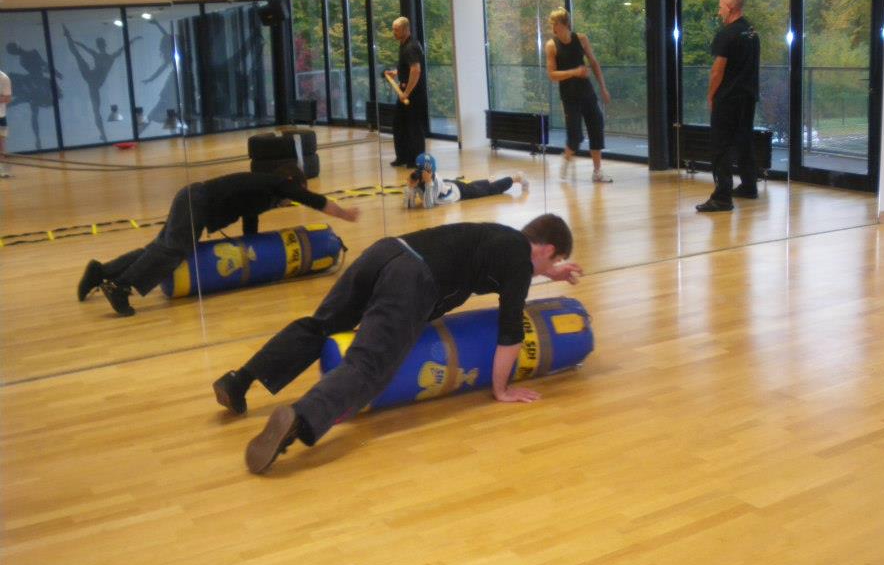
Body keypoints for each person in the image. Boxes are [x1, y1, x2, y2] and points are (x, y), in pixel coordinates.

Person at [212, 213, 583, 474]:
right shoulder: (519, 262)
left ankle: (239, 380)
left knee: (320, 325)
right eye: (556, 260)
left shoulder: (502, 237)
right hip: (412, 279)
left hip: (387, 251)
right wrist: (502, 390)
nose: (549, 268)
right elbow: (511, 330)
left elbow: (520, 268)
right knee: (369, 366)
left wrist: (551, 272)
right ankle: (299, 418)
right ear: (547, 249)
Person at [77, 166, 360, 317]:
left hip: (192, 199)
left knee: (159, 248)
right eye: (295, 191)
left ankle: (101, 272)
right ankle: (121, 287)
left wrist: (255, 249)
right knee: (174, 250)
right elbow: (312, 200)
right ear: (289, 180)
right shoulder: (275, 183)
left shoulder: (262, 192)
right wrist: (343, 214)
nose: (292, 198)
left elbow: (250, 219)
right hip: (196, 201)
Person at [696, 0, 761, 213]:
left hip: (729, 97)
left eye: (721, 6)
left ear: (730, 8)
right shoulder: (751, 32)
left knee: (721, 145)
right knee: (744, 140)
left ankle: (722, 197)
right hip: (748, 95)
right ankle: (749, 186)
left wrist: (711, 95)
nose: (719, 11)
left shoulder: (727, 34)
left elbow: (717, 70)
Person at [545, 7, 612, 184]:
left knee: (596, 128)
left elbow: (594, 64)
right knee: (575, 137)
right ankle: (566, 159)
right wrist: (574, 72)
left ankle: (597, 172)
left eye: (555, 24)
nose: (553, 28)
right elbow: (552, 75)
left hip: (587, 93)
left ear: (565, 24)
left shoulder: (581, 39)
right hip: (569, 96)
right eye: (552, 24)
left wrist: (603, 88)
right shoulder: (551, 45)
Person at [62, 26, 139, 143]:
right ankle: (103, 134)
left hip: (93, 80)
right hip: (93, 79)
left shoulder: (104, 56)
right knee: (96, 110)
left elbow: (122, 48)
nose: (100, 46)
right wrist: (133, 40)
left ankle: (103, 134)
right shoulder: (108, 57)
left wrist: (133, 40)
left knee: (96, 110)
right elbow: (122, 48)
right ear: (103, 45)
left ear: (100, 46)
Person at [404, 152, 529, 209]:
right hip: (449, 185)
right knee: (474, 186)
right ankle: (487, 181)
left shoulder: (434, 182)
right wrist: (410, 187)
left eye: (424, 170)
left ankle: (516, 178)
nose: (420, 173)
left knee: (489, 190)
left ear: (431, 171)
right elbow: (409, 205)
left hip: (459, 192)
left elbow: (428, 205)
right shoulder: (418, 179)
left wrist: (428, 183)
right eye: (419, 169)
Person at [384, 17, 427, 168]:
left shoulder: (411, 46)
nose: (394, 32)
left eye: (396, 30)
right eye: (393, 29)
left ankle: (416, 160)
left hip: (414, 93)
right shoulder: (404, 44)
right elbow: (408, 68)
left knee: (414, 127)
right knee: (399, 124)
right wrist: (396, 72)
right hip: (405, 90)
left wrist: (407, 92)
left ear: (405, 29)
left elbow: (416, 70)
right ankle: (403, 157)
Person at [0, 69, 11, 178]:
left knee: (1, 145)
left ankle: (2, 169)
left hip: (0, 116)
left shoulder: (3, 78)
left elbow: (7, 98)